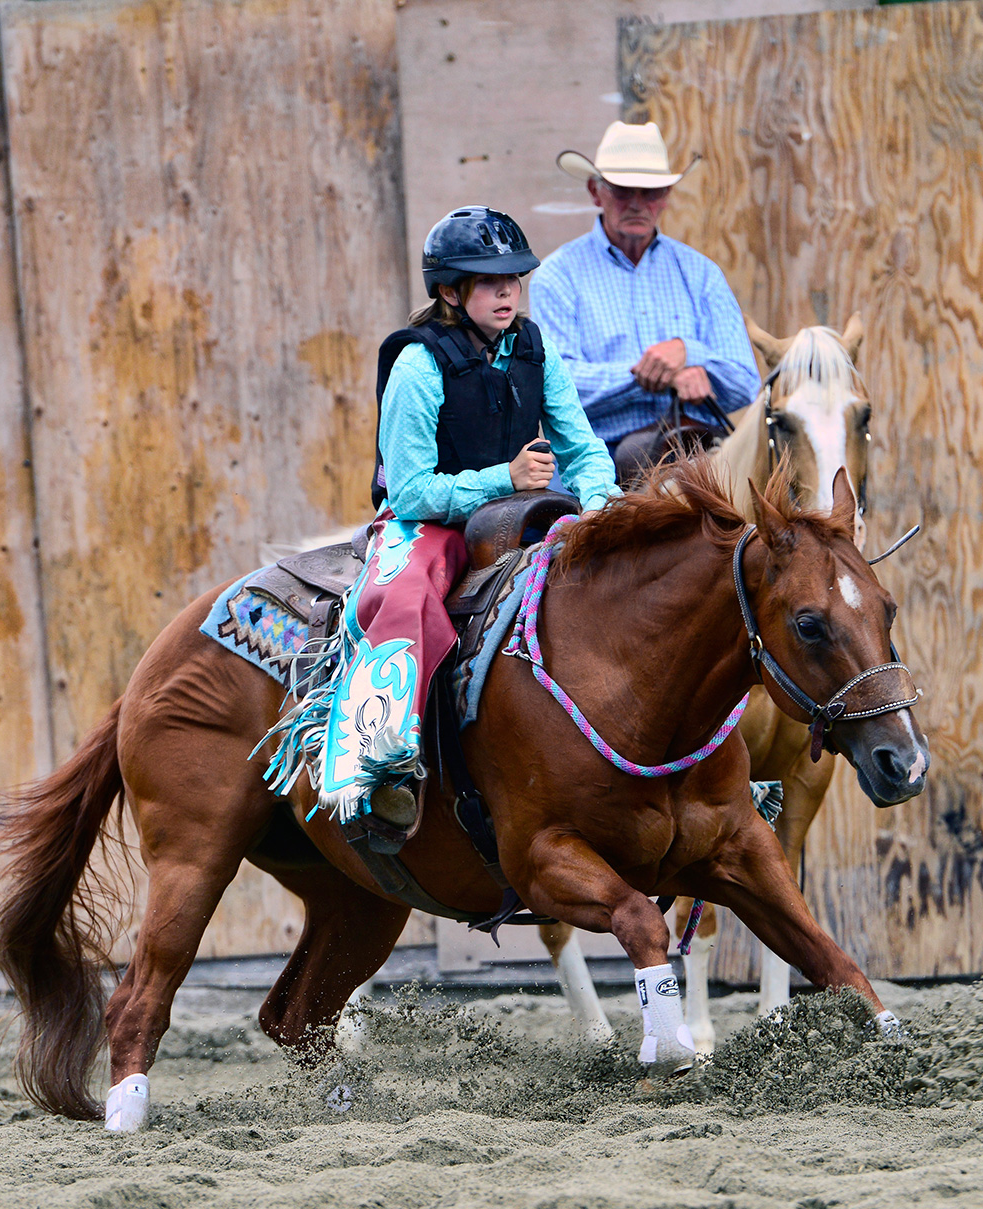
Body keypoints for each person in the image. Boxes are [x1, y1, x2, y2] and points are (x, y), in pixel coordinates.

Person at [317, 206, 619, 836]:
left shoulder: (536, 350)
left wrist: (603, 509)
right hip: (429, 523)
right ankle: (375, 762)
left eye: (514, 278)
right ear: (451, 292)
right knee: (406, 597)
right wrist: (501, 479)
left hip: (519, 514)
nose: (507, 291)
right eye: (488, 281)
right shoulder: (418, 366)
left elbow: (583, 450)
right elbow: (409, 488)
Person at [529, 121, 760, 479]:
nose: (637, 204)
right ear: (596, 191)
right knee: (544, 531)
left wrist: (690, 354)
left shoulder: (701, 273)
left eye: (650, 192)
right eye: (623, 190)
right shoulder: (558, 275)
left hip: (698, 460)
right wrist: (653, 373)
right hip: (595, 463)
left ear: (666, 196)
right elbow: (555, 389)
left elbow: (746, 382)